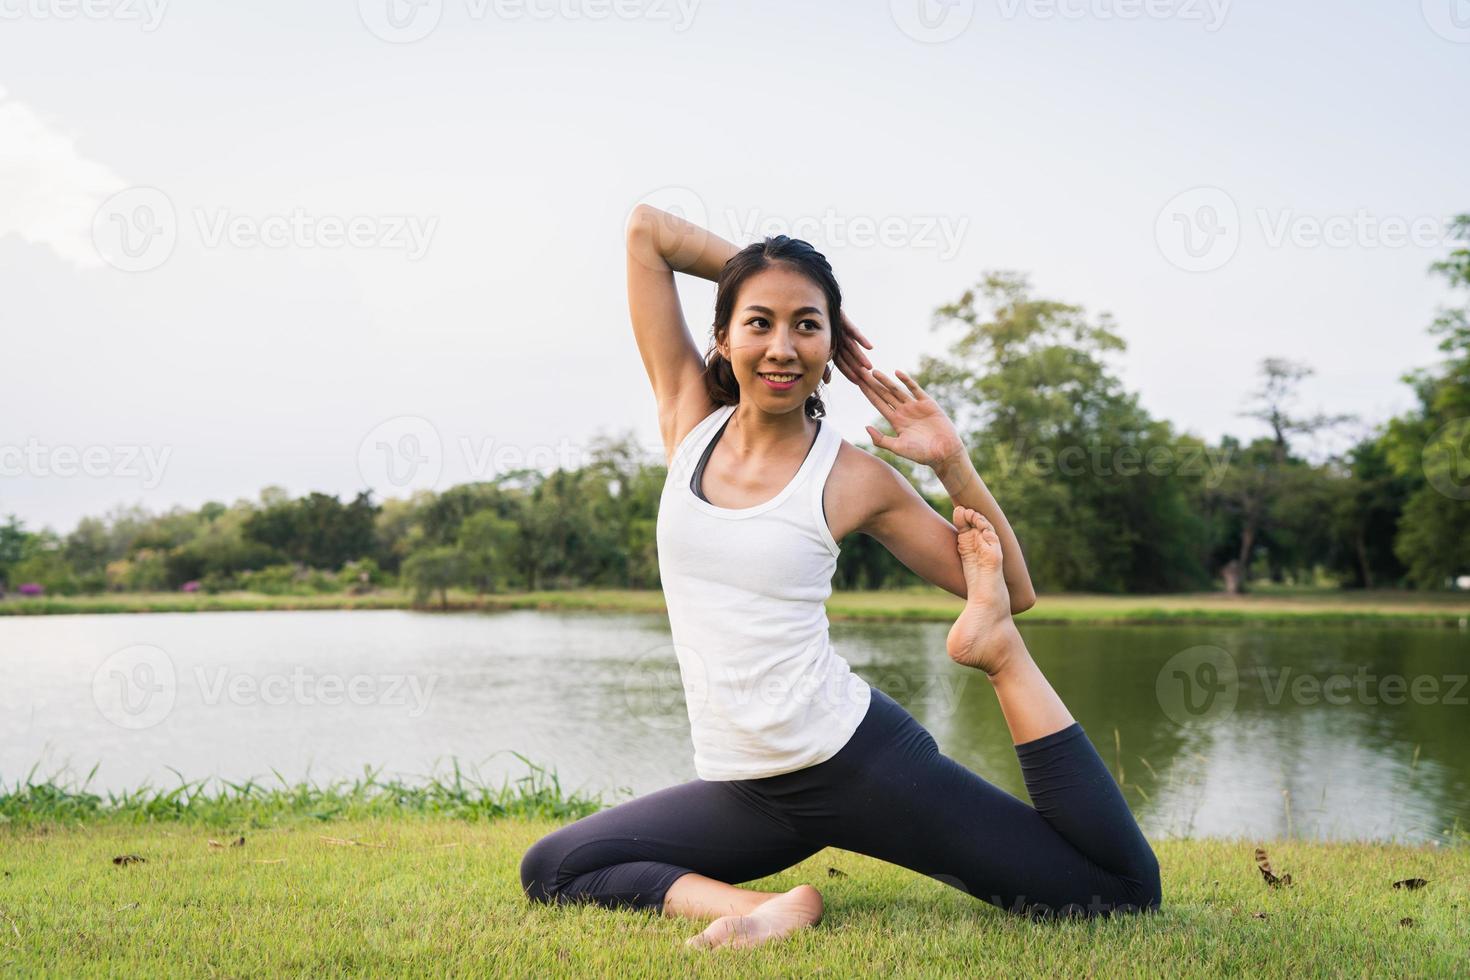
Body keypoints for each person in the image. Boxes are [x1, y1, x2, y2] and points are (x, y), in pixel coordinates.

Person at [518, 204, 1162, 950]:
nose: (782, 347)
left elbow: (1010, 588)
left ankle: (1004, 659)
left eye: (807, 326)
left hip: (857, 764)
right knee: (555, 868)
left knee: (1116, 895)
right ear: (722, 339)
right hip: (749, 788)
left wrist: (951, 464)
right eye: (759, 323)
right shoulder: (687, 424)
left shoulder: (854, 478)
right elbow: (646, 234)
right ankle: (764, 909)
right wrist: (780, 279)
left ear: (830, 346)